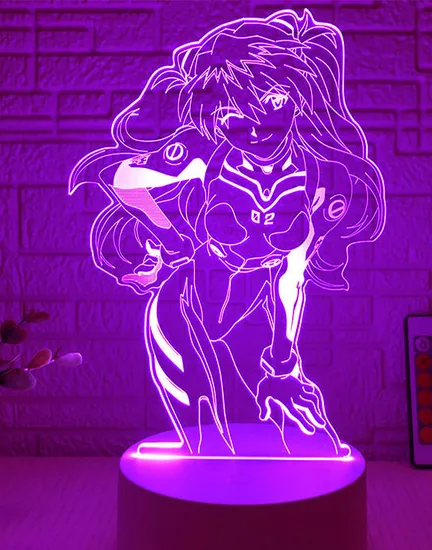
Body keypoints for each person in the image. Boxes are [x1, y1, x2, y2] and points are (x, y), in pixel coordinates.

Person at [69, 9, 385, 457]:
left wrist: (284, 362)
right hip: (188, 301)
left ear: (295, 97)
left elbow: (291, 278)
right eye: (234, 117)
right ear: (216, 120)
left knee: (308, 444)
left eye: (272, 103)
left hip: (258, 303)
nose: (256, 129)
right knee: (205, 445)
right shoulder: (203, 154)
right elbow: (122, 179)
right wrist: (171, 238)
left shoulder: (317, 176)